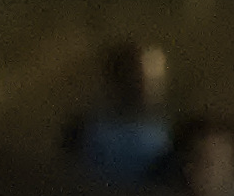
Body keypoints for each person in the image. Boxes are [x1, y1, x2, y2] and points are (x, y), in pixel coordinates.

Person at [70, 43, 171, 188]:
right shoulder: (87, 133)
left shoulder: (166, 137)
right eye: (139, 78)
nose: (147, 87)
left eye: (154, 79)